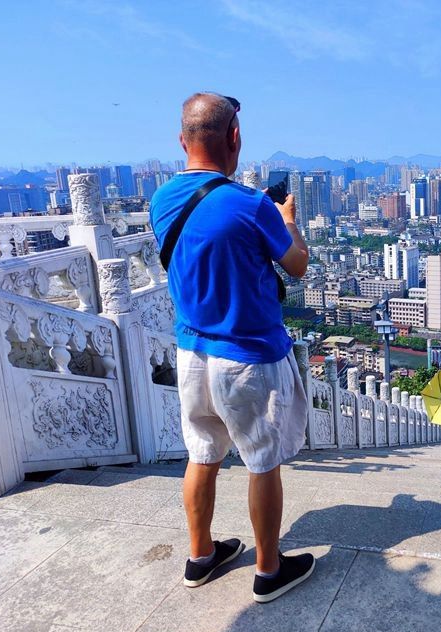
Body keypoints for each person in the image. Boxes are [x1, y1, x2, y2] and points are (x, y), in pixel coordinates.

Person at [149, 92, 314, 603]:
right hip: (247, 356)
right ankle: (269, 569)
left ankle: (200, 556)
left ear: (182, 140)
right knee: (262, 459)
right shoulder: (251, 205)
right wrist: (285, 219)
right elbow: (297, 264)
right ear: (235, 137)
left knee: (202, 452)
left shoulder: (160, 201)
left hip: (191, 354)